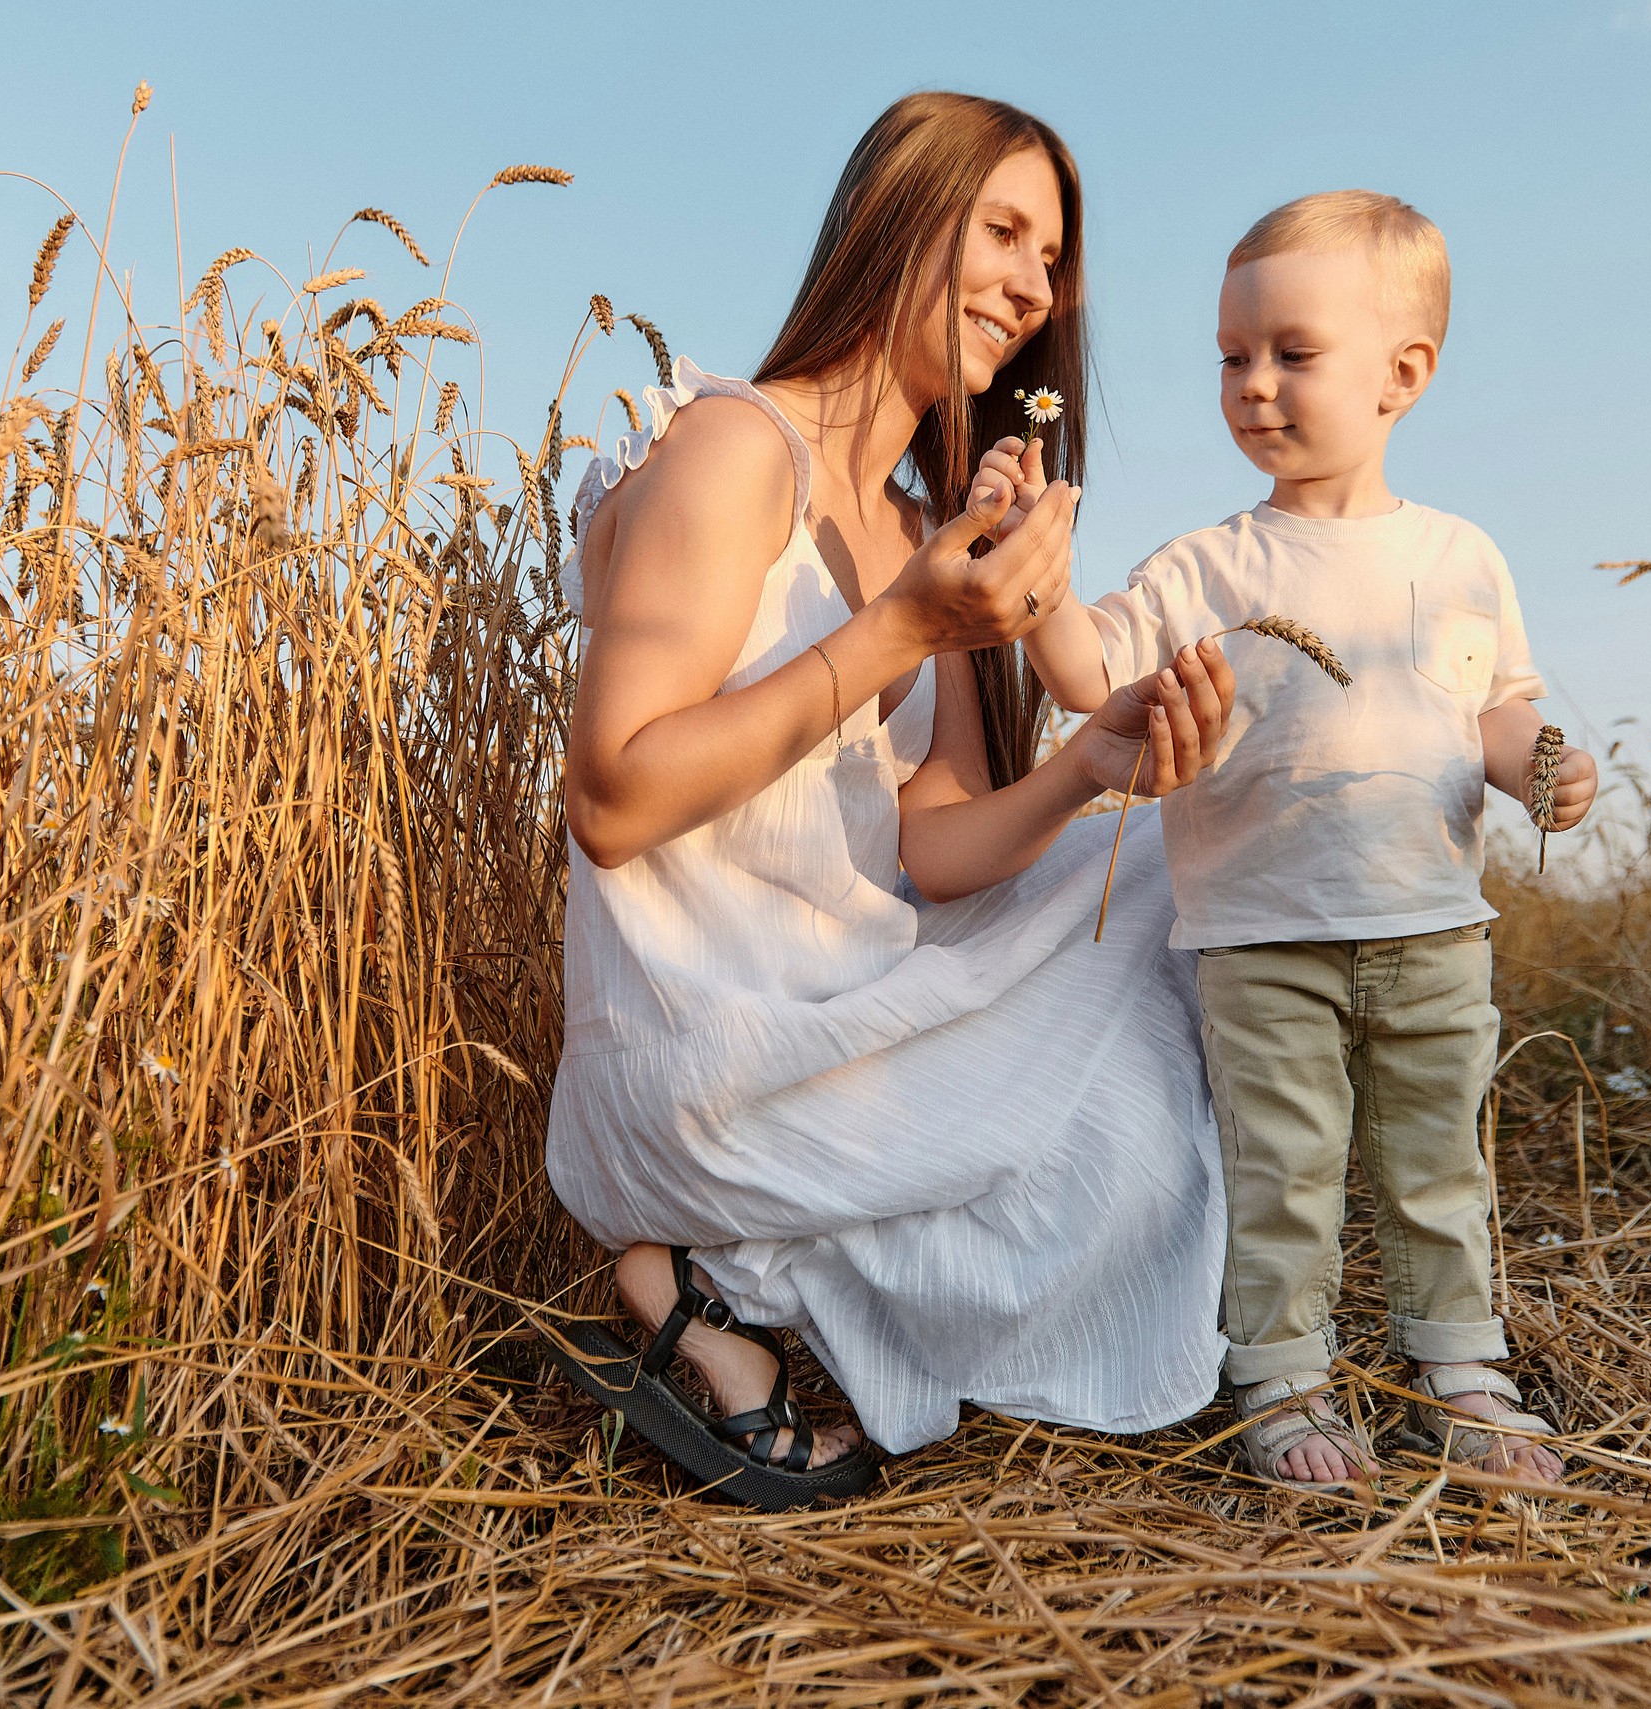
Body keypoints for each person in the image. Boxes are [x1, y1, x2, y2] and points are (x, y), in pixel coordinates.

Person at [538, 92, 1237, 1510]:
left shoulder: (930, 530)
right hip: (710, 1040)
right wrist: (903, 632)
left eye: (1053, 259)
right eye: (1005, 232)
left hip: (854, 1000)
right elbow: (612, 798)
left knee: (1181, 865)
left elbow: (937, 846)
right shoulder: (736, 451)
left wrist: (1093, 764)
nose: (1038, 286)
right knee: (1081, 1162)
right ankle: (711, 1265)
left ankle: (770, 1272)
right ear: (896, 216)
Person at [1022, 191, 1597, 1491]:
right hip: (1261, 936)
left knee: (1439, 1161)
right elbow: (1080, 670)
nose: (1254, 384)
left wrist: (1549, 769)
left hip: (1434, 930)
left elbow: (1493, 711)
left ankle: (1460, 1364)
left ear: (1404, 375)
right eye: (1234, 357)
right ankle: (1281, 1373)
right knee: (1281, 1168)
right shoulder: (1210, 569)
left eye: (1292, 352)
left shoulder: (1456, 559)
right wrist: (1034, 572)